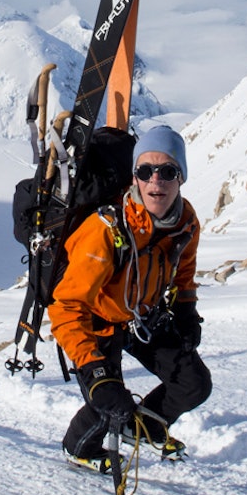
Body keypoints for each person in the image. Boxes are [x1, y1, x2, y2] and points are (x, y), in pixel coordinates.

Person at [48, 125, 212, 472]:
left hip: (142, 316)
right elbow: (67, 306)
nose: (156, 182)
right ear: (134, 176)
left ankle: (143, 428)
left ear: (181, 177)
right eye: (145, 171)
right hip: (96, 322)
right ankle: (79, 448)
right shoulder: (106, 230)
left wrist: (186, 308)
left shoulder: (185, 222)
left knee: (193, 384)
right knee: (109, 401)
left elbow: (184, 271)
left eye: (168, 171)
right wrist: (95, 372)